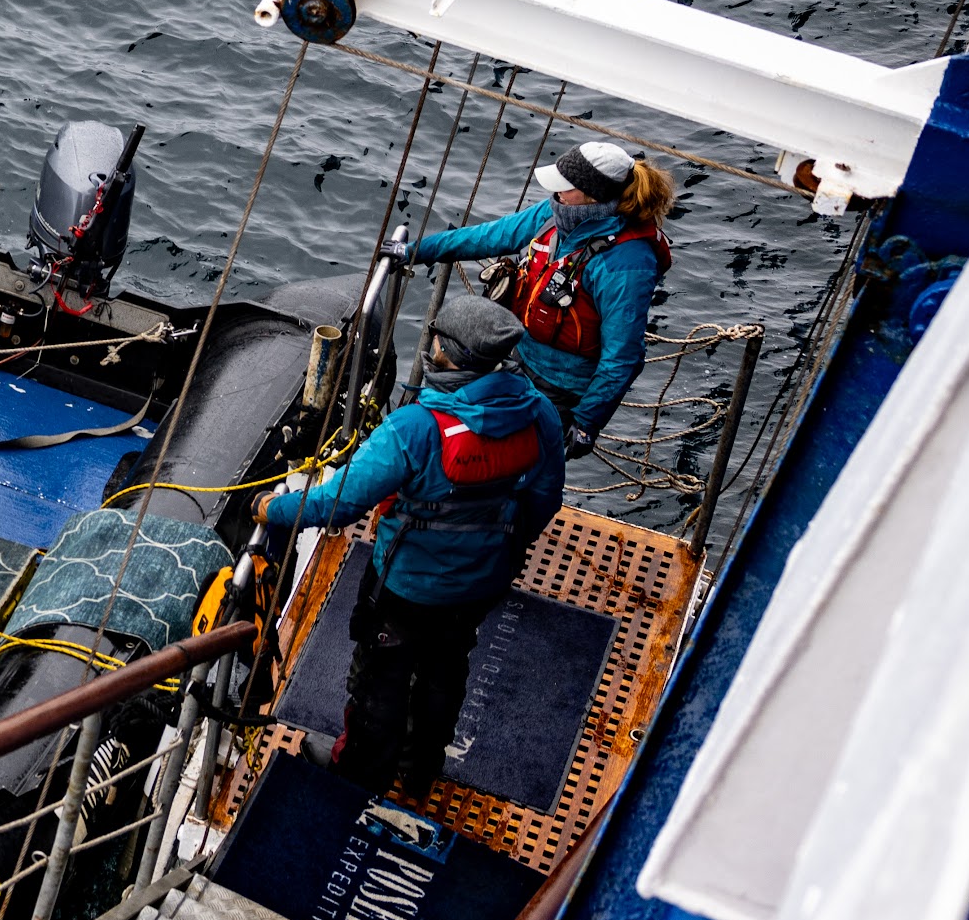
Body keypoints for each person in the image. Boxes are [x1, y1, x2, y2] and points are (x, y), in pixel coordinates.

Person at [259, 293, 567, 795]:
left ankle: (360, 773)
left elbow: (337, 505)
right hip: (484, 581)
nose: (432, 344)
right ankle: (420, 769)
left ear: (451, 355)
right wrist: (499, 550)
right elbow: (544, 499)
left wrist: (270, 509)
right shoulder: (540, 414)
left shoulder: (415, 428)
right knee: (446, 668)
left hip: (405, 587)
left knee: (379, 680)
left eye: (438, 339)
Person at [393, 140, 674, 457]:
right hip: (517, 358)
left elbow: (622, 358)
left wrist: (585, 424)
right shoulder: (555, 212)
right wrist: (414, 251)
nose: (556, 194)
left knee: (520, 468)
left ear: (593, 195)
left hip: (562, 390)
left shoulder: (627, 264)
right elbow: (489, 236)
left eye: (565, 188)